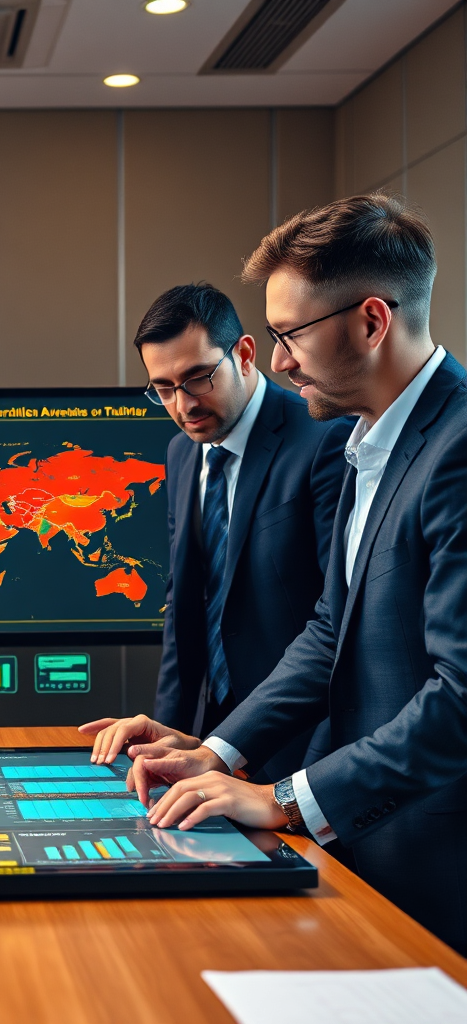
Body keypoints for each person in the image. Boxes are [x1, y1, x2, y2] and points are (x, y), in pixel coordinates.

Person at [106, 194, 467, 955]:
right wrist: (215, 752)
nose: (276, 361)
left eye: (288, 335)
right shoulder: (362, 441)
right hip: (362, 844)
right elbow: (331, 631)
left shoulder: (457, 451)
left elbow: (460, 699)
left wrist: (285, 798)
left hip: (435, 860)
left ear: (371, 321)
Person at [80, 284, 349, 780]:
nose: (183, 405)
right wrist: (165, 741)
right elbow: (185, 608)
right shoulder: (181, 453)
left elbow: (339, 620)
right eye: (163, 388)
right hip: (207, 736)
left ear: (245, 355)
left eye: (197, 378)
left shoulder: (325, 438)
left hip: (302, 744)